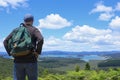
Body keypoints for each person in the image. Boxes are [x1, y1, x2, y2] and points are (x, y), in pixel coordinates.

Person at [3, 14, 44, 80]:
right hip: (31, 60)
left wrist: (11, 53)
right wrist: (37, 52)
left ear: (24, 21)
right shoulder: (34, 30)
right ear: (32, 21)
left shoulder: (16, 30)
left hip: (18, 61)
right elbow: (40, 39)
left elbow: (5, 42)